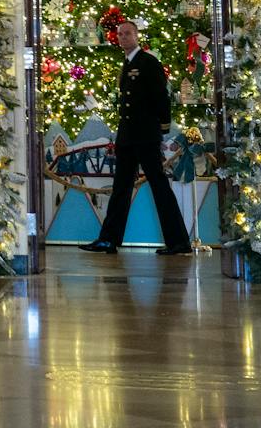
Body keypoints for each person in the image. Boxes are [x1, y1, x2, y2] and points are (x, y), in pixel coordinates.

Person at [81, 15, 194, 256]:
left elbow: (161, 97)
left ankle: (178, 241)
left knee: (159, 185)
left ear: (137, 36)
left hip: (145, 135)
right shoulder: (127, 63)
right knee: (121, 187)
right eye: (120, 34)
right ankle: (108, 239)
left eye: (128, 33)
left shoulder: (148, 62)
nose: (123, 37)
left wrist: (162, 128)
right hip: (128, 137)